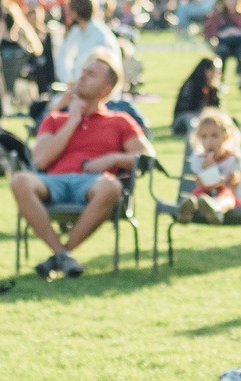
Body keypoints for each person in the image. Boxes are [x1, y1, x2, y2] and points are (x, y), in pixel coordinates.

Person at [11, 57, 151, 280]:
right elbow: (40, 160)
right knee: (19, 180)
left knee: (111, 186)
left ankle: (58, 256)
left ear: (106, 89)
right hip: (53, 182)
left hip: (92, 183)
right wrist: (72, 120)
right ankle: (63, 254)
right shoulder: (55, 119)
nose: (82, 77)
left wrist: (112, 158)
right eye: (83, 71)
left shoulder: (120, 121)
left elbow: (147, 157)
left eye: (91, 74)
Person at [178, 109, 241, 222]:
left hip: (229, 199)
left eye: (215, 136)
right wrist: (206, 172)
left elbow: (233, 186)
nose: (209, 142)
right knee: (198, 194)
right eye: (204, 137)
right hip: (205, 195)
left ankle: (216, 210)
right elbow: (199, 184)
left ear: (226, 136)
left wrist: (218, 176)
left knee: (226, 197)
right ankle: (186, 211)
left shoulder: (234, 158)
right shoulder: (198, 159)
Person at [52, 0, 120, 87]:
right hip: (81, 90)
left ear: (75, 12)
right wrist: (68, 81)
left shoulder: (101, 37)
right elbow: (63, 55)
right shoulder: (77, 31)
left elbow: (108, 75)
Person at [170, 56, 224, 137]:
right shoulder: (192, 85)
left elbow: (217, 108)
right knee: (192, 122)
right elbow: (184, 108)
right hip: (185, 118)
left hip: (204, 118)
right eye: (215, 70)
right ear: (206, 71)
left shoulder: (213, 88)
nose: (218, 74)